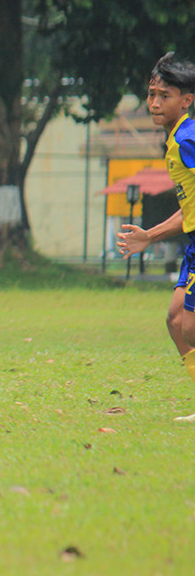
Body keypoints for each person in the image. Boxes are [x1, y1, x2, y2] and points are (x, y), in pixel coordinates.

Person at [117, 52, 195, 423]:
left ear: (186, 100)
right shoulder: (176, 140)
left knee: (191, 327)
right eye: (151, 94)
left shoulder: (188, 140)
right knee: (175, 320)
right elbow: (189, 209)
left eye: (164, 95)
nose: (154, 103)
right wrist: (149, 235)